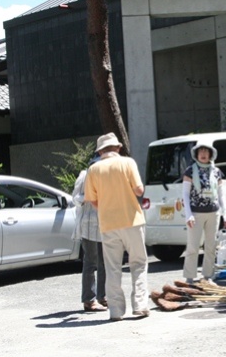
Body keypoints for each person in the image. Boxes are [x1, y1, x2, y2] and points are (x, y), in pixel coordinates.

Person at [84, 132, 150, 321]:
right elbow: (139, 190)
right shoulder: (128, 163)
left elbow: (93, 201)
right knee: (138, 263)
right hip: (132, 221)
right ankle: (140, 305)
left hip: (108, 224)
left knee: (113, 268)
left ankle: (115, 311)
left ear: (100, 151)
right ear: (118, 148)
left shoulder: (94, 169)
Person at [182, 142, 226, 285]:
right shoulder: (190, 171)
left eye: (206, 151)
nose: (203, 154)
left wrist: (225, 213)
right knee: (193, 246)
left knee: (211, 245)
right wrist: (188, 214)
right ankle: (189, 277)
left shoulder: (216, 171)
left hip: (213, 213)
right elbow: (185, 194)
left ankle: (208, 276)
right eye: (200, 151)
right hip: (195, 213)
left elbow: (221, 194)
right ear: (196, 154)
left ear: (210, 154)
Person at [72, 153, 107, 312]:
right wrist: (88, 196)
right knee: (90, 262)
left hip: (104, 225)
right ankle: (89, 300)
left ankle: (103, 296)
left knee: (104, 262)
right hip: (88, 225)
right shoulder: (84, 175)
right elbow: (75, 199)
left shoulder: (106, 176)